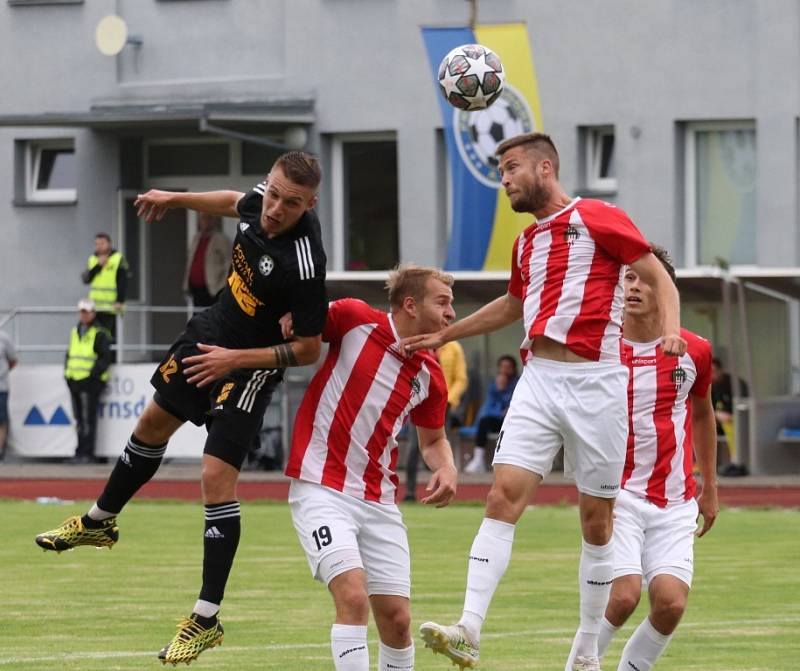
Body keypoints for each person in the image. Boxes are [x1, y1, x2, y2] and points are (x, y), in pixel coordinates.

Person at [403, 132, 686, 671]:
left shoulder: (599, 216)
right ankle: (469, 628)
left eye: (511, 169)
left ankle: (585, 652)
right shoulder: (525, 244)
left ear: (546, 168)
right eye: (502, 171)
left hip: (598, 382)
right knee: (501, 498)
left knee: (596, 521)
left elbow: (658, 280)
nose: (504, 180)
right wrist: (446, 335)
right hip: (539, 378)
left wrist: (670, 330)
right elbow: (513, 305)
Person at [35, 151, 328, 665]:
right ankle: (100, 521)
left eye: (292, 202)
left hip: (248, 365)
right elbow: (230, 201)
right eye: (275, 194)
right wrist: (174, 198)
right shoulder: (262, 200)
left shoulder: (304, 260)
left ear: (311, 205)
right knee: (150, 423)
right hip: (212, 329)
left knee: (215, 477)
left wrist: (235, 360)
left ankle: (206, 618)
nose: (275, 208)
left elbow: (309, 349)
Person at [182, 264, 459, 671]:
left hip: (380, 501)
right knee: (352, 596)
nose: (452, 313)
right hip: (322, 489)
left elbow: (433, 441)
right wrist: (287, 318)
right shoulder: (353, 318)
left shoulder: (431, 375)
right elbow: (301, 325)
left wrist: (447, 467)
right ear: (411, 305)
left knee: (398, 622)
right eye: (444, 302)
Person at [589, 246, 718, 671]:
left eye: (645, 279)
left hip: (675, 499)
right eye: (628, 278)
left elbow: (702, 414)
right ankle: (581, 663)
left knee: (670, 604)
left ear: (666, 290)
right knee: (624, 594)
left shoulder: (693, 351)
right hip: (617, 494)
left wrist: (710, 489)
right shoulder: (600, 347)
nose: (634, 286)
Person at [405, 339, 467, 501]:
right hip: (418, 404)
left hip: (445, 405)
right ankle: (410, 492)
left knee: (443, 447)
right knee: (413, 448)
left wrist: (449, 399)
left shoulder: (453, 347)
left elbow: (460, 379)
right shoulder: (418, 345)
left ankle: (445, 489)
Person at [64, 299, 113, 464]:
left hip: (90, 383)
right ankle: (80, 451)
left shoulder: (100, 333)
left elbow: (105, 359)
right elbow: (69, 354)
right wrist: (67, 375)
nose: (83, 315)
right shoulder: (75, 331)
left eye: (86, 312)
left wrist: (92, 376)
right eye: (81, 312)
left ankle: (88, 453)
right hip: (74, 381)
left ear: (93, 313)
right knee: (79, 419)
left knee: (88, 419)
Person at [463, 355, 518, 474]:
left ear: (513, 369)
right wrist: (499, 390)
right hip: (498, 419)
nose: (504, 370)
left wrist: (510, 409)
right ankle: (478, 460)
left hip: (514, 421)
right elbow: (490, 408)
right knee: (484, 422)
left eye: (507, 367)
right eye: (502, 367)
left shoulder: (518, 384)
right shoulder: (495, 384)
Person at [81, 232, 129, 341]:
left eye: (102, 243)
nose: (99, 246)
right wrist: (98, 266)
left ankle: (112, 358)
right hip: (94, 308)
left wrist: (120, 300)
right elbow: (86, 279)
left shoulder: (118, 259)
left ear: (109, 244)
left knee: (110, 339)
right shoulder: (93, 259)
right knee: (96, 338)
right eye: (97, 244)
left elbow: (123, 281)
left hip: (111, 308)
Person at [183, 212, 232, 308]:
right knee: (197, 319)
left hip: (213, 290)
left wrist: (221, 287)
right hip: (196, 290)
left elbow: (229, 265)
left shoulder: (222, 240)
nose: (205, 221)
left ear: (214, 220)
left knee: (211, 319)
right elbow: (190, 261)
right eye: (202, 218)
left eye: (208, 218)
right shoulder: (196, 239)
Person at [711, 357, 749, 476]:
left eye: (714, 372)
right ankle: (702, 463)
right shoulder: (708, 385)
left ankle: (736, 460)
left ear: (721, 370)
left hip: (739, 422)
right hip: (717, 422)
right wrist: (716, 415)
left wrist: (726, 416)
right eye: (709, 372)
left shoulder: (735, 384)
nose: (712, 375)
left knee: (727, 422)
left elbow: (743, 408)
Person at [0, 328, 18, 461]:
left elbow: (13, 360)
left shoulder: (4, 338)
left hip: (1, 387)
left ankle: (0, 451)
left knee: (1, 419)